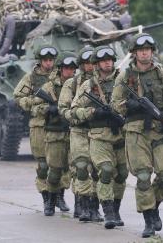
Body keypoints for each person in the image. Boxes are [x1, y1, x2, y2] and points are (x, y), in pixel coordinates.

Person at [112, 33, 163, 238]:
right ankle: (148, 218)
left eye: (148, 50)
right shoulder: (125, 76)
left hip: (159, 130)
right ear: (134, 53)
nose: (144, 53)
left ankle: (155, 205)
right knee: (142, 177)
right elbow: (115, 104)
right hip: (136, 131)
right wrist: (129, 105)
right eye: (141, 50)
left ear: (152, 52)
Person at [71, 45, 127, 229]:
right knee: (105, 170)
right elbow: (73, 111)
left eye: (110, 60)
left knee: (122, 175)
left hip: (120, 135)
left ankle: (116, 208)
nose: (108, 63)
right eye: (103, 61)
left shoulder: (123, 81)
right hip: (98, 137)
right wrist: (93, 112)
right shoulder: (89, 86)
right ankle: (108, 212)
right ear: (97, 64)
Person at [13, 45, 60, 214]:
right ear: (40, 61)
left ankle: (58, 195)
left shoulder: (60, 75)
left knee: (59, 164)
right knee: (42, 165)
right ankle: (46, 197)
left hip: (58, 124)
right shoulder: (31, 78)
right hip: (39, 125)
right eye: (46, 60)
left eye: (51, 60)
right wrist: (35, 104)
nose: (48, 63)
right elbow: (18, 97)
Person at [58, 45, 103, 221]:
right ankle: (82, 205)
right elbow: (63, 109)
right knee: (81, 168)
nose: (90, 66)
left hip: (100, 131)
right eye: (85, 63)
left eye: (92, 62)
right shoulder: (72, 83)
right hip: (79, 131)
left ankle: (95, 207)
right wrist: (81, 115)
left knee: (99, 171)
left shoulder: (103, 83)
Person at [32, 54, 78, 216]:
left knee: (71, 169)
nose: (69, 71)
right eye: (66, 68)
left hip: (72, 132)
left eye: (72, 68)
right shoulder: (49, 87)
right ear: (60, 69)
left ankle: (60, 196)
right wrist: (48, 109)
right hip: (54, 133)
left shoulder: (78, 86)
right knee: (54, 170)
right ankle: (50, 201)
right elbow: (34, 108)